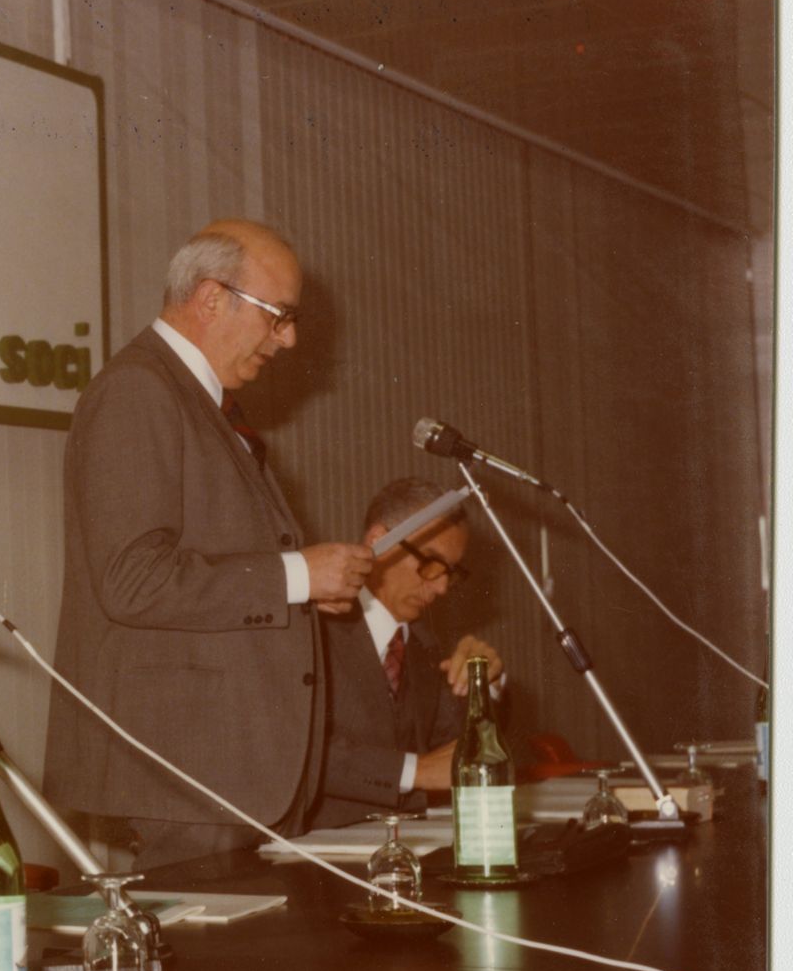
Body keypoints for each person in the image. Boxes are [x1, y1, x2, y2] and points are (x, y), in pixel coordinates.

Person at [44, 219, 375, 863]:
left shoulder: (193, 399)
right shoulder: (138, 391)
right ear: (211, 297)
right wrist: (297, 578)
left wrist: (303, 592)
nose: (289, 339)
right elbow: (132, 580)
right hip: (189, 769)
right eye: (278, 316)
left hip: (227, 769)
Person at [304, 478, 504, 830]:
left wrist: (485, 685)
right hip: (315, 849)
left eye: (451, 573)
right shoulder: (310, 630)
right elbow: (299, 749)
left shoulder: (423, 645)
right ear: (380, 541)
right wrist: (416, 771)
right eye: (431, 564)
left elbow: (452, 755)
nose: (442, 587)